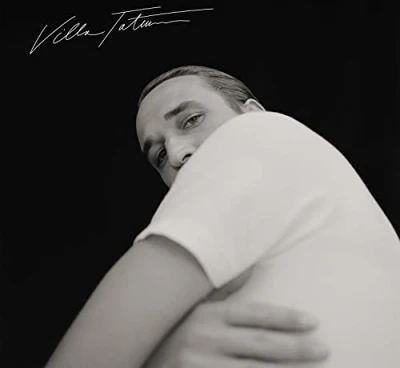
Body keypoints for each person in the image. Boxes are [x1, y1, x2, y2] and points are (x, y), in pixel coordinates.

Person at [45, 66, 400, 368]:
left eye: (191, 120)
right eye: (159, 155)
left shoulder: (259, 133)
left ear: (253, 113)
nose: (177, 152)